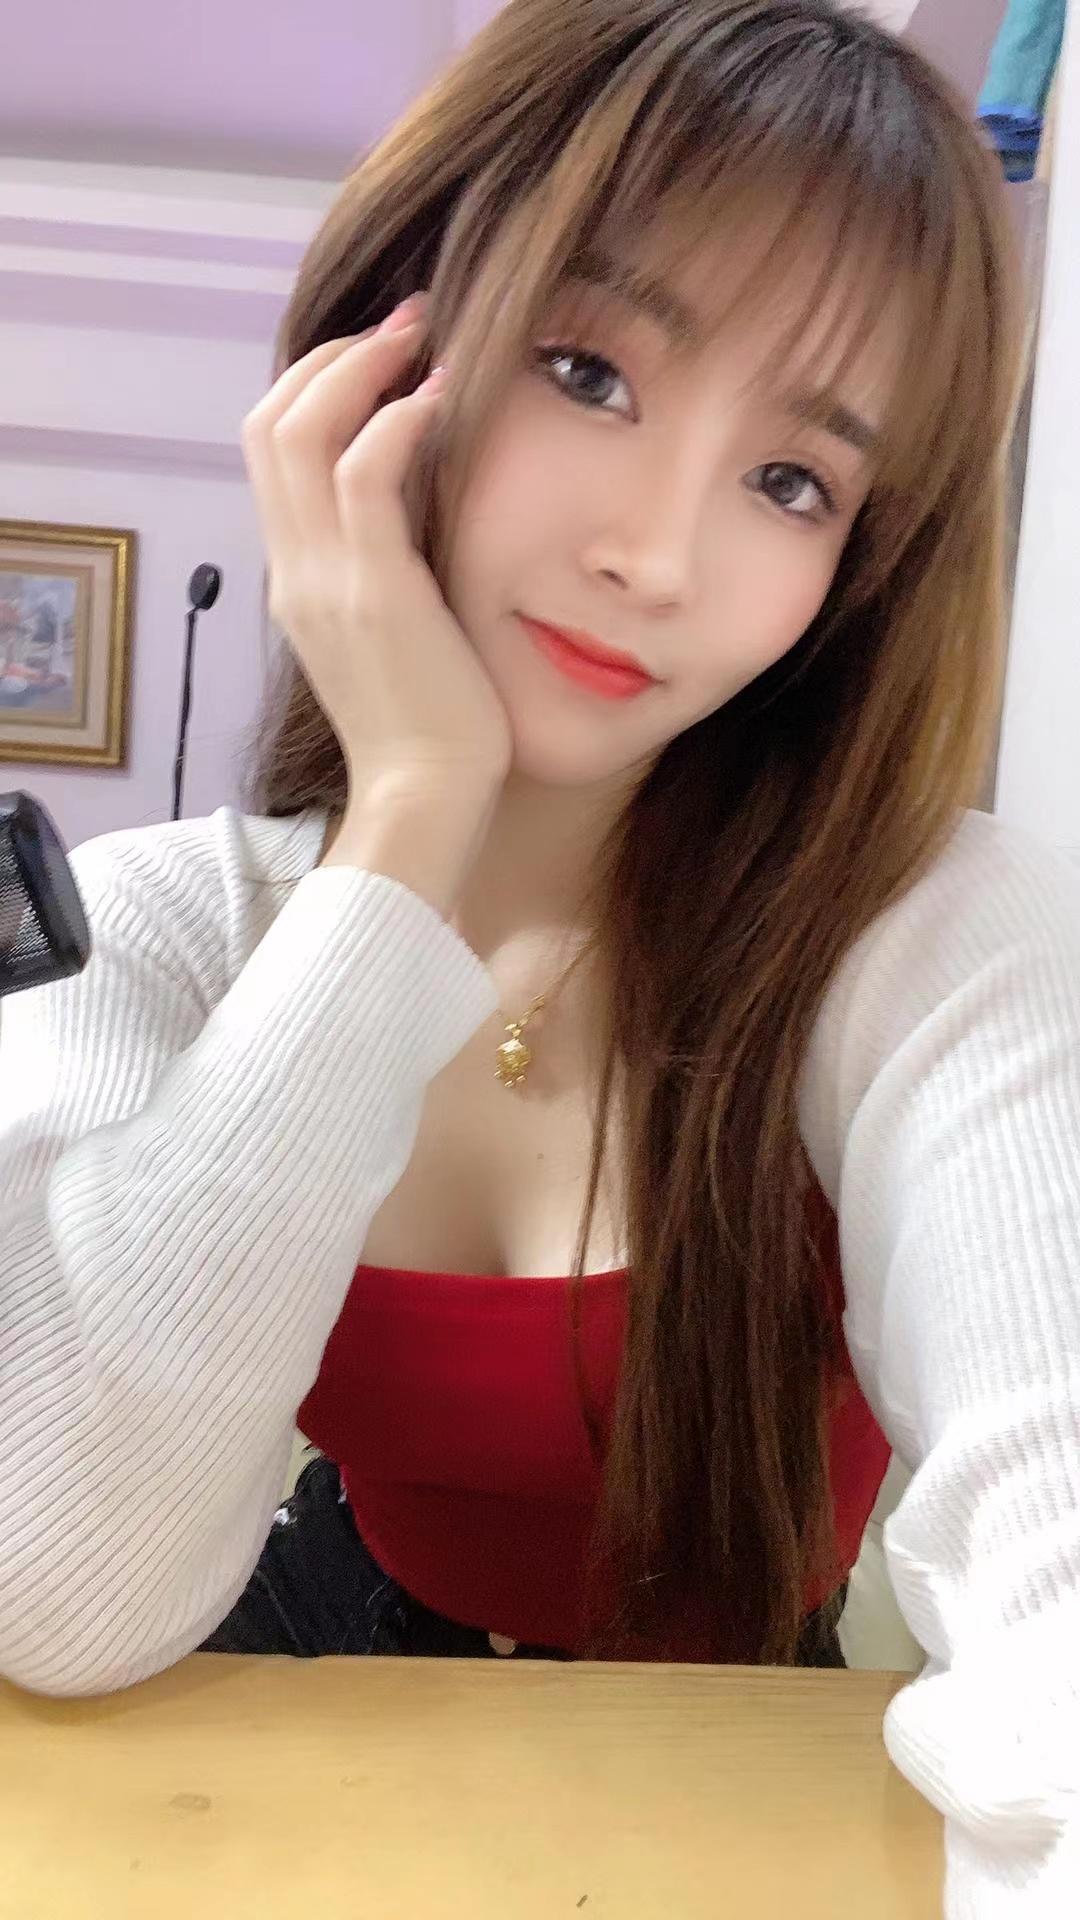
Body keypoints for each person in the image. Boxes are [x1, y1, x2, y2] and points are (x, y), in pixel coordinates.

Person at [1, 0, 1078, 1909]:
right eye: (589, 370)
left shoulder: (924, 933)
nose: (656, 555)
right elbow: (64, 1589)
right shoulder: (164, 921)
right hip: (285, 1722)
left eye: (795, 482)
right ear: (376, 361)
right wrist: (411, 817)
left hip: (730, 1772)